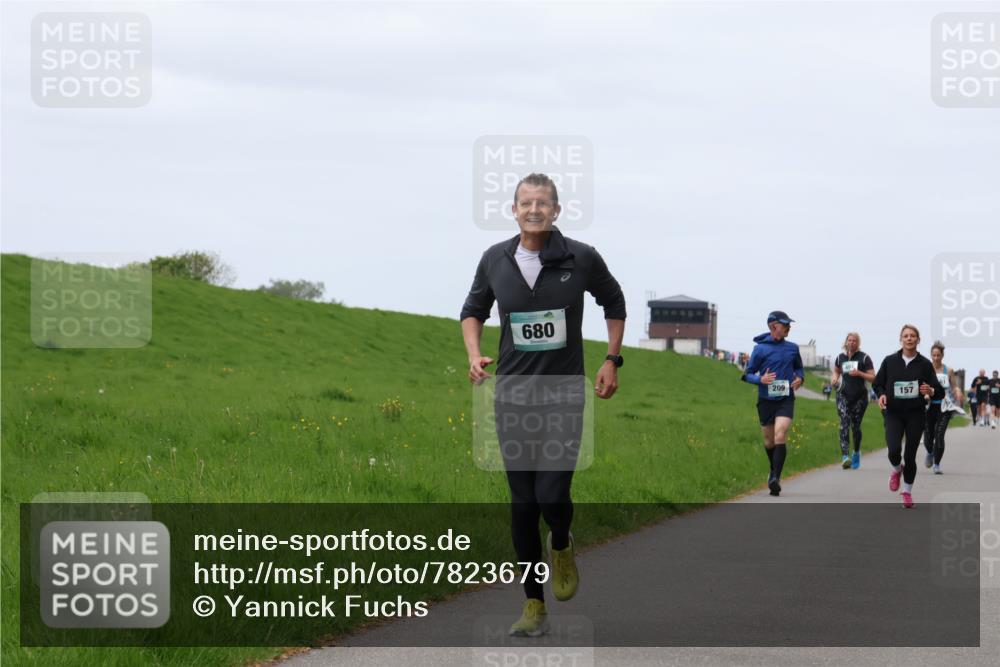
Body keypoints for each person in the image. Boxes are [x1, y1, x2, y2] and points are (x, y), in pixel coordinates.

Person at [460, 172, 626, 637]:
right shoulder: (494, 260)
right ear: (513, 211)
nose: (534, 209)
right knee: (522, 504)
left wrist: (611, 359)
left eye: (543, 203)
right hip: (512, 394)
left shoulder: (582, 257)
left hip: (564, 393)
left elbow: (614, 302)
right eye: (525, 203)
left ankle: (562, 541)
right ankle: (534, 606)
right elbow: (472, 311)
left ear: (556, 212)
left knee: (552, 495)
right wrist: (475, 356)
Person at [873, 324, 943, 508]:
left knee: (910, 455)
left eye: (913, 336)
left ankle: (907, 492)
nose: (909, 338)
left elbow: (940, 391)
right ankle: (897, 469)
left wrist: (931, 389)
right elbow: (877, 384)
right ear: (901, 339)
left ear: (918, 340)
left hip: (915, 414)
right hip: (893, 413)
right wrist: (881, 394)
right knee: (893, 450)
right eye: (906, 336)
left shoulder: (925, 364)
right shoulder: (889, 361)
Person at [741, 311, 804, 497]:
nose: (789, 328)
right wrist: (761, 379)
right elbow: (747, 373)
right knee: (769, 441)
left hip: (785, 398)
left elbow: (799, 369)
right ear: (773, 326)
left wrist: (800, 378)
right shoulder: (760, 349)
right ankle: (772, 471)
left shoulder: (793, 348)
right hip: (765, 400)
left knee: (780, 434)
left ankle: (775, 477)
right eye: (785, 324)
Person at [829, 332, 875, 469]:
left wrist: (860, 373)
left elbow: (873, 377)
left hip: (860, 397)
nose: (851, 342)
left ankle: (856, 452)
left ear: (858, 343)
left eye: (854, 341)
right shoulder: (840, 357)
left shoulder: (864, 358)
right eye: (849, 340)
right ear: (846, 342)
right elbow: (836, 370)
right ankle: (845, 456)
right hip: (843, 394)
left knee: (855, 427)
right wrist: (835, 378)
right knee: (844, 423)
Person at [923, 341, 965, 474]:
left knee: (939, 435)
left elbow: (954, 386)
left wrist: (958, 391)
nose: (936, 358)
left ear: (942, 356)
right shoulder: (925, 369)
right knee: (928, 437)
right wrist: (924, 395)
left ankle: (937, 464)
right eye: (934, 355)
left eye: (938, 355)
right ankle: (930, 452)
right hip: (929, 407)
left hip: (944, 406)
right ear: (931, 355)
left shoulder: (949, 370)